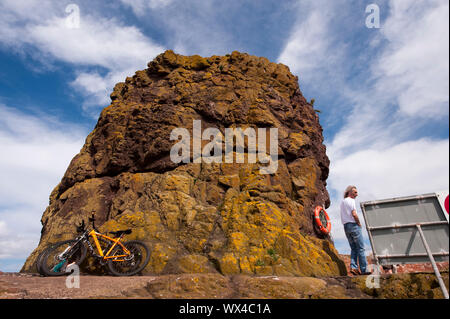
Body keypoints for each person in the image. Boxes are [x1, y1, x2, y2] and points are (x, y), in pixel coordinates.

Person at [340, 185, 370, 275]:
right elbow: (354, 214)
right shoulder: (351, 201)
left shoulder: (342, 202)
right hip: (353, 225)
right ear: (350, 192)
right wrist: (359, 223)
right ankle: (364, 270)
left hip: (346, 226)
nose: (357, 194)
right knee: (361, 248)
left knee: (353, 248)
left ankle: (354, 267)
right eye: (355, 192)